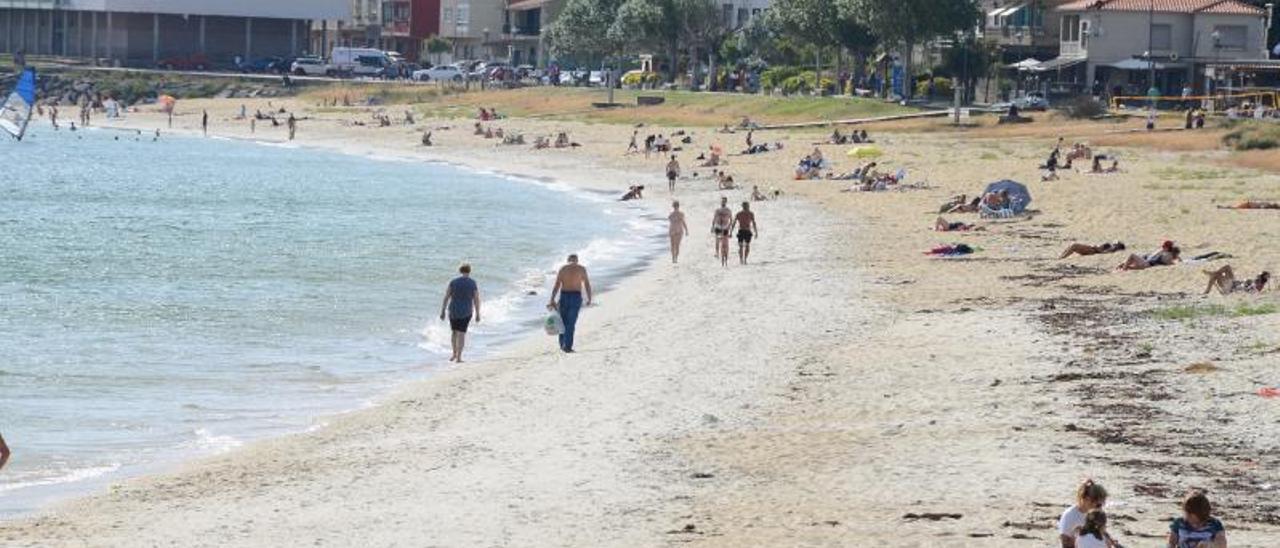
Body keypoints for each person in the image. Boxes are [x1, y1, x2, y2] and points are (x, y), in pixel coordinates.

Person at [548, 255, 592, 353]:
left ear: (568, 260)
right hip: (576, 297)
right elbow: (587, 284)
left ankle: (562, 344)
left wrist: (552, 299)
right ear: (576, 260)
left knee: (562, 322)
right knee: (571, 323)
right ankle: (567, 347)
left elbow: (557, 284)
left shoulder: (563, 269)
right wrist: (589, 298)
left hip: (564, 296)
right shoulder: (581, 269)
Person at [439, 264, 481, 363]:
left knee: (454, 332)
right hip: (466, 311)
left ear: (460, 270)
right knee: (462, 334)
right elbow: (476, 299)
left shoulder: (453, 282)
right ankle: (459, 357)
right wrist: (478, 313)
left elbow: (446, 297)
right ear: (469, 271)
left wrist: (443, 311)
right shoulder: (472, 283)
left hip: (453, 310)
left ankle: (454, 353)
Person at [1059, 479, 1109, 548]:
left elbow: (1101, 531)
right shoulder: (1069, 516)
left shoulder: (1095, 514)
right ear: (1086, 499)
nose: (1100, 508)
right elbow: (1065, 545)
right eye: (1098, 505)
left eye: (1102, 504)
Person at [1203, 266, 1269, 295]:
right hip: (1233, 283)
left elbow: (1244, 290)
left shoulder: (1257, 286)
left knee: (1215, 276)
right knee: (1227, 267)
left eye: (1258, 276)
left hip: (1230, 288)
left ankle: (1207, 290)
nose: (1257, 276)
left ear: (1261, 278)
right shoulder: (1257, 284)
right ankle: (1212, 274)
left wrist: (1245, 282)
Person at [712, 197, 733, 267]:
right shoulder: (717, 210)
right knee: (717, 240)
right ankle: (717, 252)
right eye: (722, 201)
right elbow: (714, 218)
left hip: (725, 227)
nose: (722, 203)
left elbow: (731, 219)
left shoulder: (728, 210)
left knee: (725, 242)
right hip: (718, 226)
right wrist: (712, 226)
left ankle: (726, 253)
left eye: (724, 201)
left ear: (726, 202)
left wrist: (730, 228)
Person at [1060, 242, 1126, 259]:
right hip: (1092, 249)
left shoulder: (1112, 248)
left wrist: (1096, 248)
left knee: (1074, 246)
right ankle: (1061, 256)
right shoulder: (1111, 247)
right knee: (1072, 245)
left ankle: (1063, 257)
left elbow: (1102, 252)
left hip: (1092, 250)